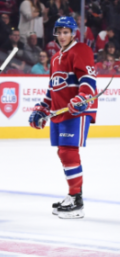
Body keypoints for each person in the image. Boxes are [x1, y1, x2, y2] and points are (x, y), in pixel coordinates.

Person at [28, 16, 97, 219]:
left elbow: (88, 79)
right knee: (63, 152)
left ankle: (77, 201)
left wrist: (82, 97)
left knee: (68, 151)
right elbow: (53, 88)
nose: (62, 36)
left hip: (77, 110)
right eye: (60, 32)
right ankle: (73, 195)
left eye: (66, 32)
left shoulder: (81, 50)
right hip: (60, 111)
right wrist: (42, 107)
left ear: (73, 33)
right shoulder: (56, 57)